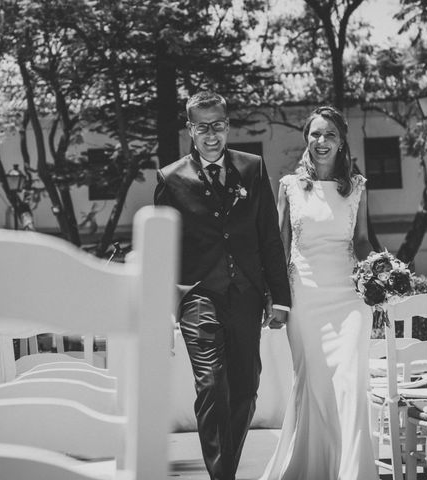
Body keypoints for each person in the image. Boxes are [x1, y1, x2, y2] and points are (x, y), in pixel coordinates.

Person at [154, 91, 291, 480]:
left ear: (227, 126)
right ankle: (223, 477)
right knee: (212, 384)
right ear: (190, 130)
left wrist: (279, 298)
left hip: (246, 294)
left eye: (217, 126)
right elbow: (164, 248)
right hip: (198, 296)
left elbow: (268, 237)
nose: (211, 135)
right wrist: (165, 305)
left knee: (246, 389)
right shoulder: (170, 178)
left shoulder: (252, 168)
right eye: (202, 127)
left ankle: (224, 470)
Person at [260, 106, 378, 480]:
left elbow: (361, 240)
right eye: (315, 134)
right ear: (306, 139)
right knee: (313, 381)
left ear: (342, 141)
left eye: (329, 135)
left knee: (349, 380)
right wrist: (275, 298)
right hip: (304, 295)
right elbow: (279, 244)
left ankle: (351, 471)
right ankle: (310, 467)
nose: (322, 141)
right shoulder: (290, 187)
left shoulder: (357, 187)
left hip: (349, 297)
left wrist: (380, 271)